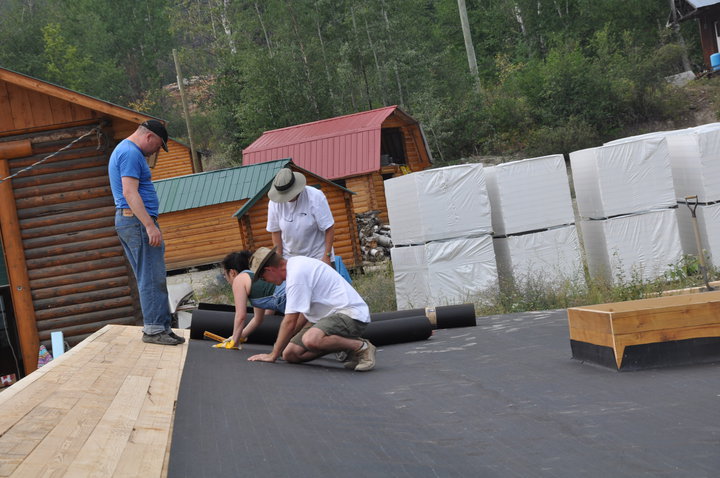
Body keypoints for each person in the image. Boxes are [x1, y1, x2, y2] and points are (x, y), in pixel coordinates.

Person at [108, 120, 184, 346]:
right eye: (158, 145)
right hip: (138, 223)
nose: (157, 151)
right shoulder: (130, 153)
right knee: (152, 277)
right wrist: (149, 225)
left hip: (132, 221)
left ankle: (161, 327)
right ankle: (153, 330)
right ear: (149, 137)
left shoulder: (124, 150)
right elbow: (130, 193)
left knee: (151, 276)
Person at [247, 247, 376, 371]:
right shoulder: (295, 267)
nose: (266, 282)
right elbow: (302, 313)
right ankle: (345, 347)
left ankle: (361, 347)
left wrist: (273, 354)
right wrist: (284, 345)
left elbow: (289, 322)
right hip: (326, 318)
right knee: (290, 354)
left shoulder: (296, 275)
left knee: (311, 339)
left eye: (263, 278)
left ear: (269, 270)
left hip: (349, 314)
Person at [212, 251, 287, 349]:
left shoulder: (239, 280)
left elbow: (241, 316)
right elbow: (258, 319)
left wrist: (234, 341)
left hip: (288, 298)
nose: (226, 279)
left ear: (232, 272)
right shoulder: (252, 277)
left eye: (225, 275)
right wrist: (239, 336)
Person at [266, 167, 335, 266]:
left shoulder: (315, 196)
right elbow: (275, 231)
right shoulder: (274, 203)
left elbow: (329, 228)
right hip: (291, 260)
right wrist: (279, 259)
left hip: (318, 257)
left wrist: (327, 256)